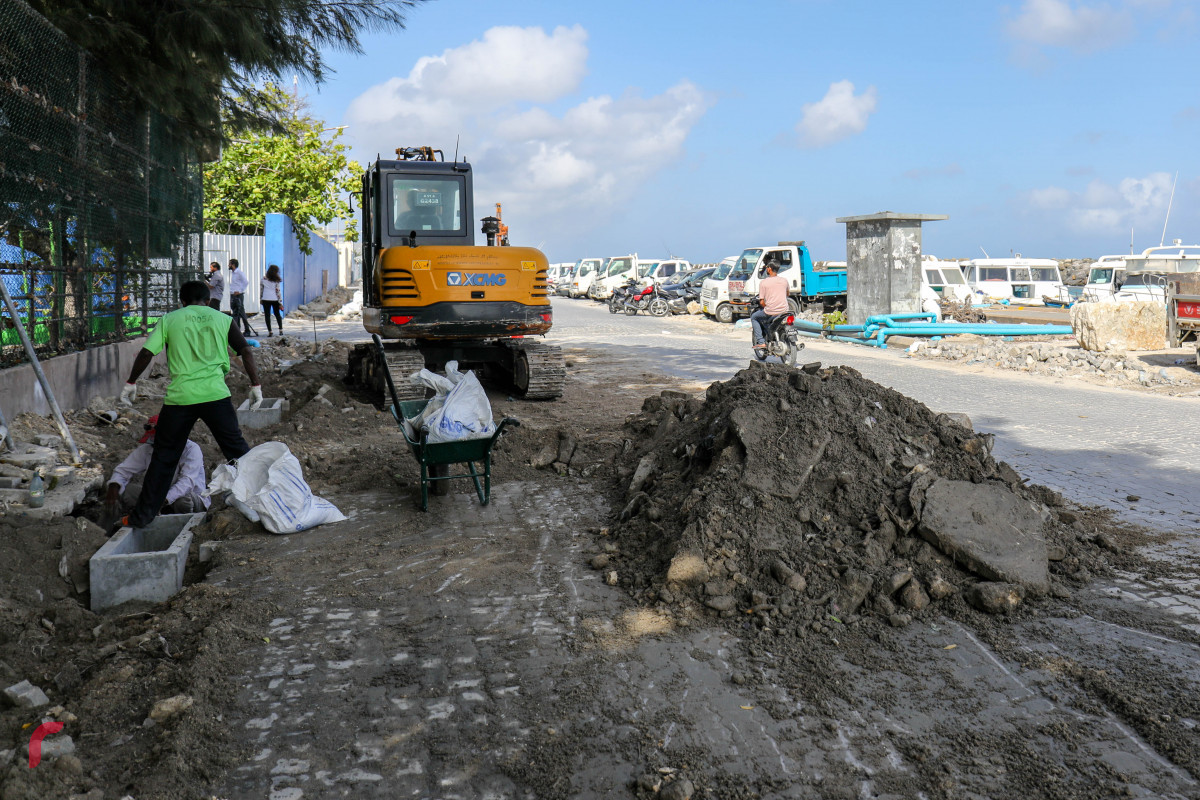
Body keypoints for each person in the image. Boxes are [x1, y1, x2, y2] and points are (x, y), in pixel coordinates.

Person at [117, 280, 263, 530]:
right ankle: (263, 500)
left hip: (180, 399)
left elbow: (146, 353)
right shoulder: (223, 319)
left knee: (164, 458)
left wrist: (131, 381)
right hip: (216, 396)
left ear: (182, 301)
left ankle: (142, 517)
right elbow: (246, 352)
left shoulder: (170, 319)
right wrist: (255, 386)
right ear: (208, 300)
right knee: (238, 452)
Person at [104, 416, 208, 520]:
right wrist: (114, 487)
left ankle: (183, 524)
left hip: (190, 500)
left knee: (183, 499)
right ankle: (104, 532)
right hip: (158, 497)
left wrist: (163, 500)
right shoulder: (149, 448)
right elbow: (123, 471)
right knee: (121, 491)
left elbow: (187, 482)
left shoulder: (191, 449)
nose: (155, 445)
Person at [751, 256, 789, 352]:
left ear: (769, 269)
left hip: (771, 311)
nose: (766, 268)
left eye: (767, 267)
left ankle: (761, 342)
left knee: (754, 317)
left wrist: (766, 306)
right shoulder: (784, 281)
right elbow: (787, 294)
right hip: (784, 310)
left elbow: (762, 302)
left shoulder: (764, 283)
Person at [228, 258, 252, 335]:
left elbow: (246, 282)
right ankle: (237, 330)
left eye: (230, 264)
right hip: (233, 295)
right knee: (235, 313)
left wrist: (240, 291)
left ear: (233, 265)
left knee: (241, 312)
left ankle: (247, 330)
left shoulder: (239, 273)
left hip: (238, 295)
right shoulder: (233, 273)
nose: (228, 265)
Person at [260, 264, 284, 336]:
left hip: (265, 299)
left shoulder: (263, 279)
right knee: (277, 314)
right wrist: (280, 301)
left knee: (267, 315)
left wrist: (260, 298)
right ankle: (280, 330)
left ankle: (270, 331)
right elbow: (278, 291)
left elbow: (261, 290)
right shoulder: (276, 280)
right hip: (274, 299)